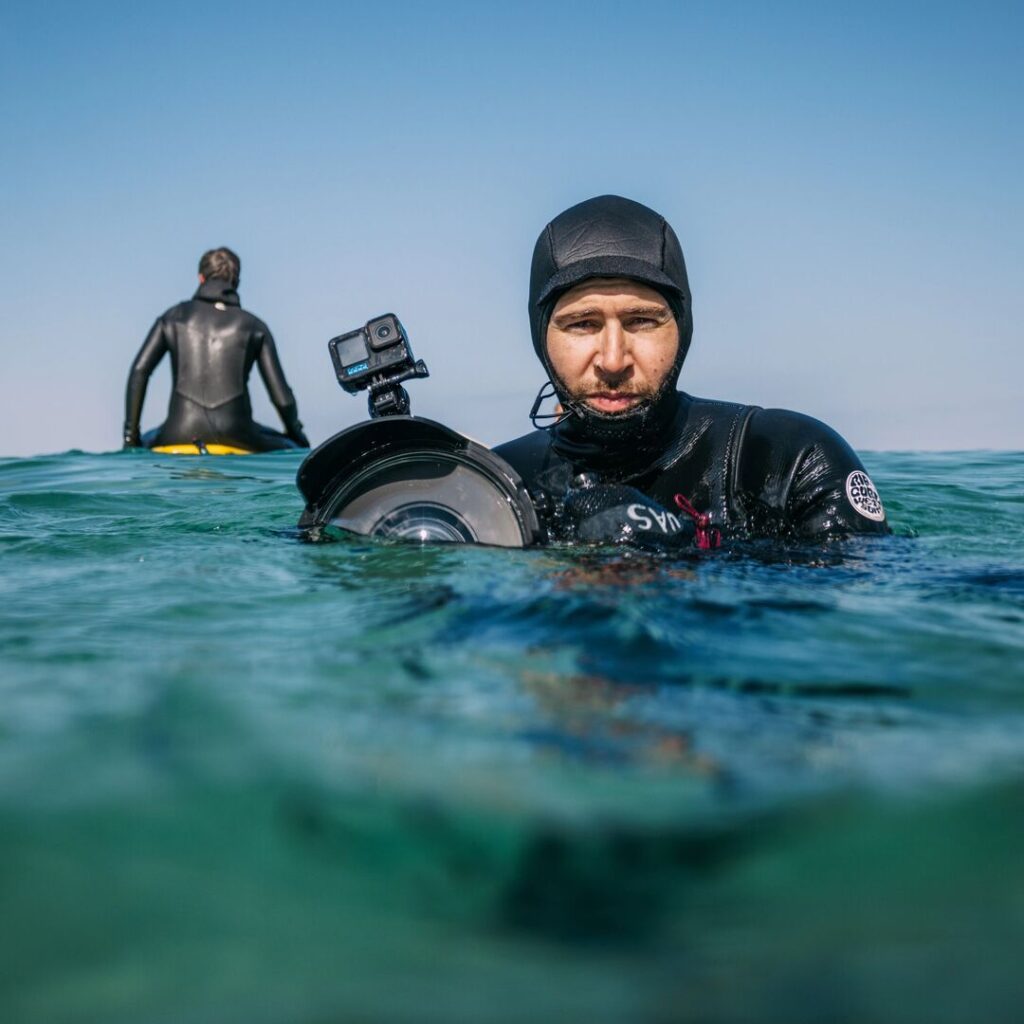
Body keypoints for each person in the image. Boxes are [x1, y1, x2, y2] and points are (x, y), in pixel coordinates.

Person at [493, 195, 889, 547]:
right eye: (583, 324)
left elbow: (870, 600)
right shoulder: (495, 484)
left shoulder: (788, 459)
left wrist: (680, 553)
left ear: (683, 328)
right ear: (539, 334)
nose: (613, 360)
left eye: (642, 321)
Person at [123, 247, 309, 452]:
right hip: (239, 436)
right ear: (236, 282)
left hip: (177, 435)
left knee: (148, 437)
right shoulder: (255, 326)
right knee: (291, 445)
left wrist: (130, 438)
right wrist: (297, 435)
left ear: (201, 278)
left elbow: (140, 371)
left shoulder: (172, 317)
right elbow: (282, 397)